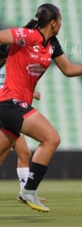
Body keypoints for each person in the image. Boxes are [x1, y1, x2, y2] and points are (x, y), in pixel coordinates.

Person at [0, 3, 82, 212]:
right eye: (60, 21)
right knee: (51, 138)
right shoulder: (28, 35)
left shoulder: (52, 43)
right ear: (53, 22)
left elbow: (67, 69)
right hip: (10, 103)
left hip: (15, 106)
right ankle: (28, 191)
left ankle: (28, 191)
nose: (61, 24)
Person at [0, 44, 45, 201]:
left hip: (8, 115)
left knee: (24, 153)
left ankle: (24, 193)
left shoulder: (9, 69)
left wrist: (31, 93)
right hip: (5, 113)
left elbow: (13, 90)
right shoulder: (8, 68)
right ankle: (25, 193)